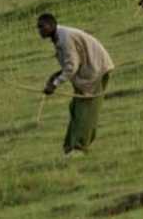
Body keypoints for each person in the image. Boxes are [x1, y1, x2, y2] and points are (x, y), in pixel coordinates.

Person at [36, 14, 114, 158]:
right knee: (76, 108)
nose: (40, 30)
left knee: (86, 110)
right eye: (38, 28)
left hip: (96, 69)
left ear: (52, 25)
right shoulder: (59, 37)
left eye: (42, 26)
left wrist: (55, 84)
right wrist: (55, 76)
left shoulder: (65, 38)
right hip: (87, 71)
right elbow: (71, 62)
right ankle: (70, 146)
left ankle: (79, 147)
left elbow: (72, 66)